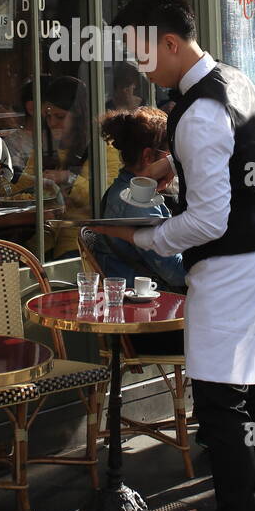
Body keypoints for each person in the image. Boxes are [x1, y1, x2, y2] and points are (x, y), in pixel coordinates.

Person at [96, 0, 255, 511]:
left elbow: (208, 219)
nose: (137, 65)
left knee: (220, 408)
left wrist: (143, 235)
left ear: (171, 44)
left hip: (229, 268)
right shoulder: (235, 80)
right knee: (252, 393)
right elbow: (231, 172)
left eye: (140, 51)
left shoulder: (199, 113)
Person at [94, 108, 186, 354]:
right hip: (145, 323)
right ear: (148, 157)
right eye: (170, 157)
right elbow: (176, 273)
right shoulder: (136, 201)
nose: (177, 165)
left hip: (141, 315)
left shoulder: (124, 192)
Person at [13, 75, 119, 256]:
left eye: (60, 116)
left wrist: (68, 179)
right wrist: (3, 176)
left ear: (79, 117)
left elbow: (108, 196)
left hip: (83, 244)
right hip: (47, 239)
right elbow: (22, 186)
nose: (52, 122)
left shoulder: (103, 148)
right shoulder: (46, 146)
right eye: (48, 116)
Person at [2, 75, 51, 176]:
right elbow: (17, 182)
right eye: (49, 109)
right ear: (32, 107)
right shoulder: (14, 143)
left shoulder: (57, 137)